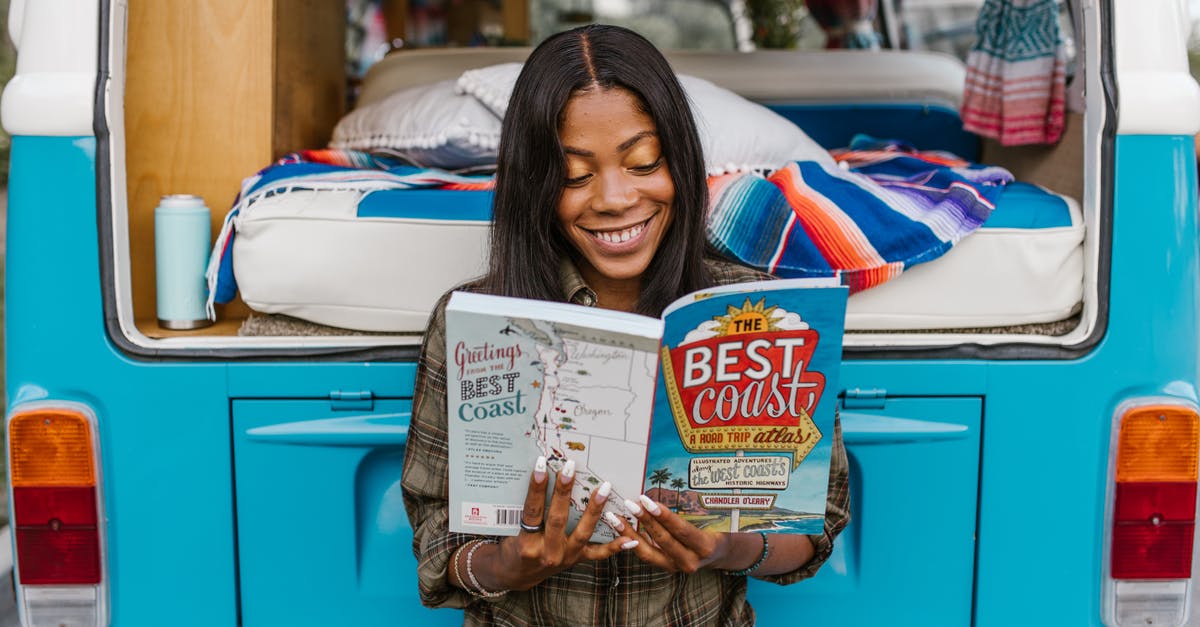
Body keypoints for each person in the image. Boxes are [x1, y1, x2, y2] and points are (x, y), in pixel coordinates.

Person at [401, 23, 850, 626]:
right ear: (536, 185)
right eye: (575, 174)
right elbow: (436, 543)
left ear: (680, 163)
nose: (614, 198)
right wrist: (510, 564)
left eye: (642, 162)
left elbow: (812, 527)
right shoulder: (476, 324)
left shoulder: (757, 316)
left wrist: (724, 547)